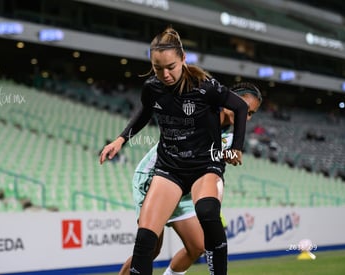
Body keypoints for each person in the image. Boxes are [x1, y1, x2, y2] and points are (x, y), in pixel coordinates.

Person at [99, 27, 248, 274]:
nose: (165, 74)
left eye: (171, 67)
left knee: (207, 211)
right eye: (158, 68)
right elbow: (145, 113)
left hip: (204, 166)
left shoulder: (204, 86)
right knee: (146, 241)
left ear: (183, 59)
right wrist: (120, 139)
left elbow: (241, 107)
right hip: (169, 168)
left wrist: (236, 148)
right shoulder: (152, 87)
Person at [119, 82, 262, 275]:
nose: (246, 115)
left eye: (251, 113)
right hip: (157, 176)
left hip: (186, 186)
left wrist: (227, 156)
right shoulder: (201, 110)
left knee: (197, 246)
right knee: (151, 249)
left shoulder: (230, 135)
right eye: (243, 107)